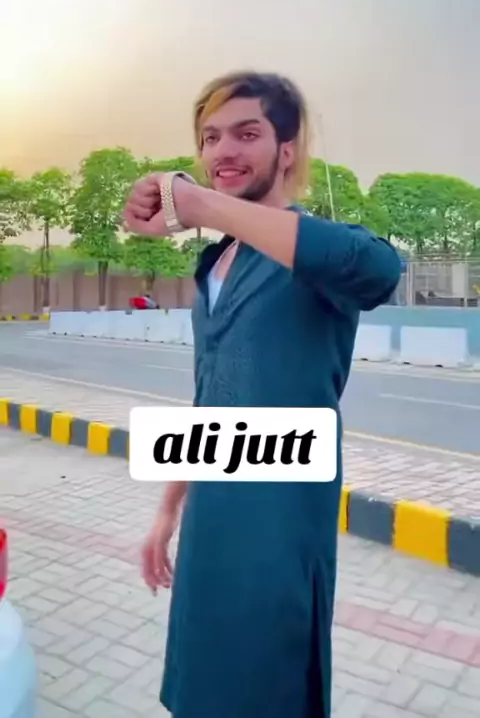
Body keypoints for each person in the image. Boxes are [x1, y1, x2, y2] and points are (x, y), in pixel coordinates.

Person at [123, 71, 401, 718]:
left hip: (278, 528)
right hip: (210, 522)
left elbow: (379, 270)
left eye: (247, 134)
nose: (223, 151)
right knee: (199, 689)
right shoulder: (213, 266)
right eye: (210, 137)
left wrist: (198, 205)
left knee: (266, 691)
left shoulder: (314, 255)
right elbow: (209, 399)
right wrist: (167, 512)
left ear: (287, 150)